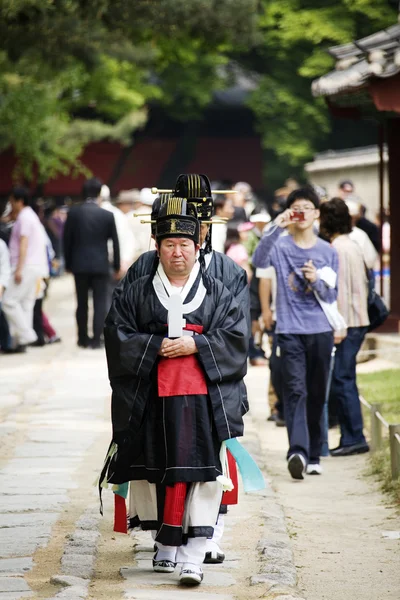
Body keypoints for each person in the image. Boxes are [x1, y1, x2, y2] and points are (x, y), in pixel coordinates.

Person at [101, 197, 249, 586]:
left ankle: (194, 555)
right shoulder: (137, 291)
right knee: (155, 466)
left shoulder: (219, 291)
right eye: (169, 244)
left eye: (185, 244)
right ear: (157, 246)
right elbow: (116, 335)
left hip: (201, 398)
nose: (177, 252)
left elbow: (236, 338)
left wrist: (197, 345)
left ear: (197, 245)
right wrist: (153, 347)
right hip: (153, 395)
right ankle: (164, 544)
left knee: (200, 470)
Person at [257, 188, 339, 479]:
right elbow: (258, 259)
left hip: (321, 331)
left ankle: (315, 453)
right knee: (294, 391)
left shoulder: (327, 251)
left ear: (317, 213)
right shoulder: (280, 246)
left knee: (317, 393)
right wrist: (275, 226)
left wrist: (316, 281)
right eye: (296, 208)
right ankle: (298, 452)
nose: (301, 213)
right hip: (289, 331)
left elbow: (331, 296)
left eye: (307, 207)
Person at [319, 198, 370, 456]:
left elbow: (338, 292)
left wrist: (337, 325)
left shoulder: (336, 248)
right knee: (345, 378)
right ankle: (352, 435)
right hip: (356, 319)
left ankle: (354, 437)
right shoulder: (352, 244)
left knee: (342, 379)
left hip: (347, 322)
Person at [63, 178, 120, 349]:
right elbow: (115, 243)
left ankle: (82, 338)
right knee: (100, 302)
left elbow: (67, 240)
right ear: (98, 194)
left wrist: (68, 263)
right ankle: (96, 339)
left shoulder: (73, 213)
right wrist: (116, 265)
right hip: (101, 265)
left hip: (79, 265)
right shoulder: (107, 215)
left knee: (81, 302)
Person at [2, 187, 48, 352]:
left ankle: (27, 335)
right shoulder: (28, 216)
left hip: (26, 265)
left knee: (8, 301)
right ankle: (22, 340)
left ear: (19, 201)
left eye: (12, 201)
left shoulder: (25, 218)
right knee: (26, 303)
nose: (10, 204)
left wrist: (19, 269)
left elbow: (23, 243)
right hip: (34, 265)